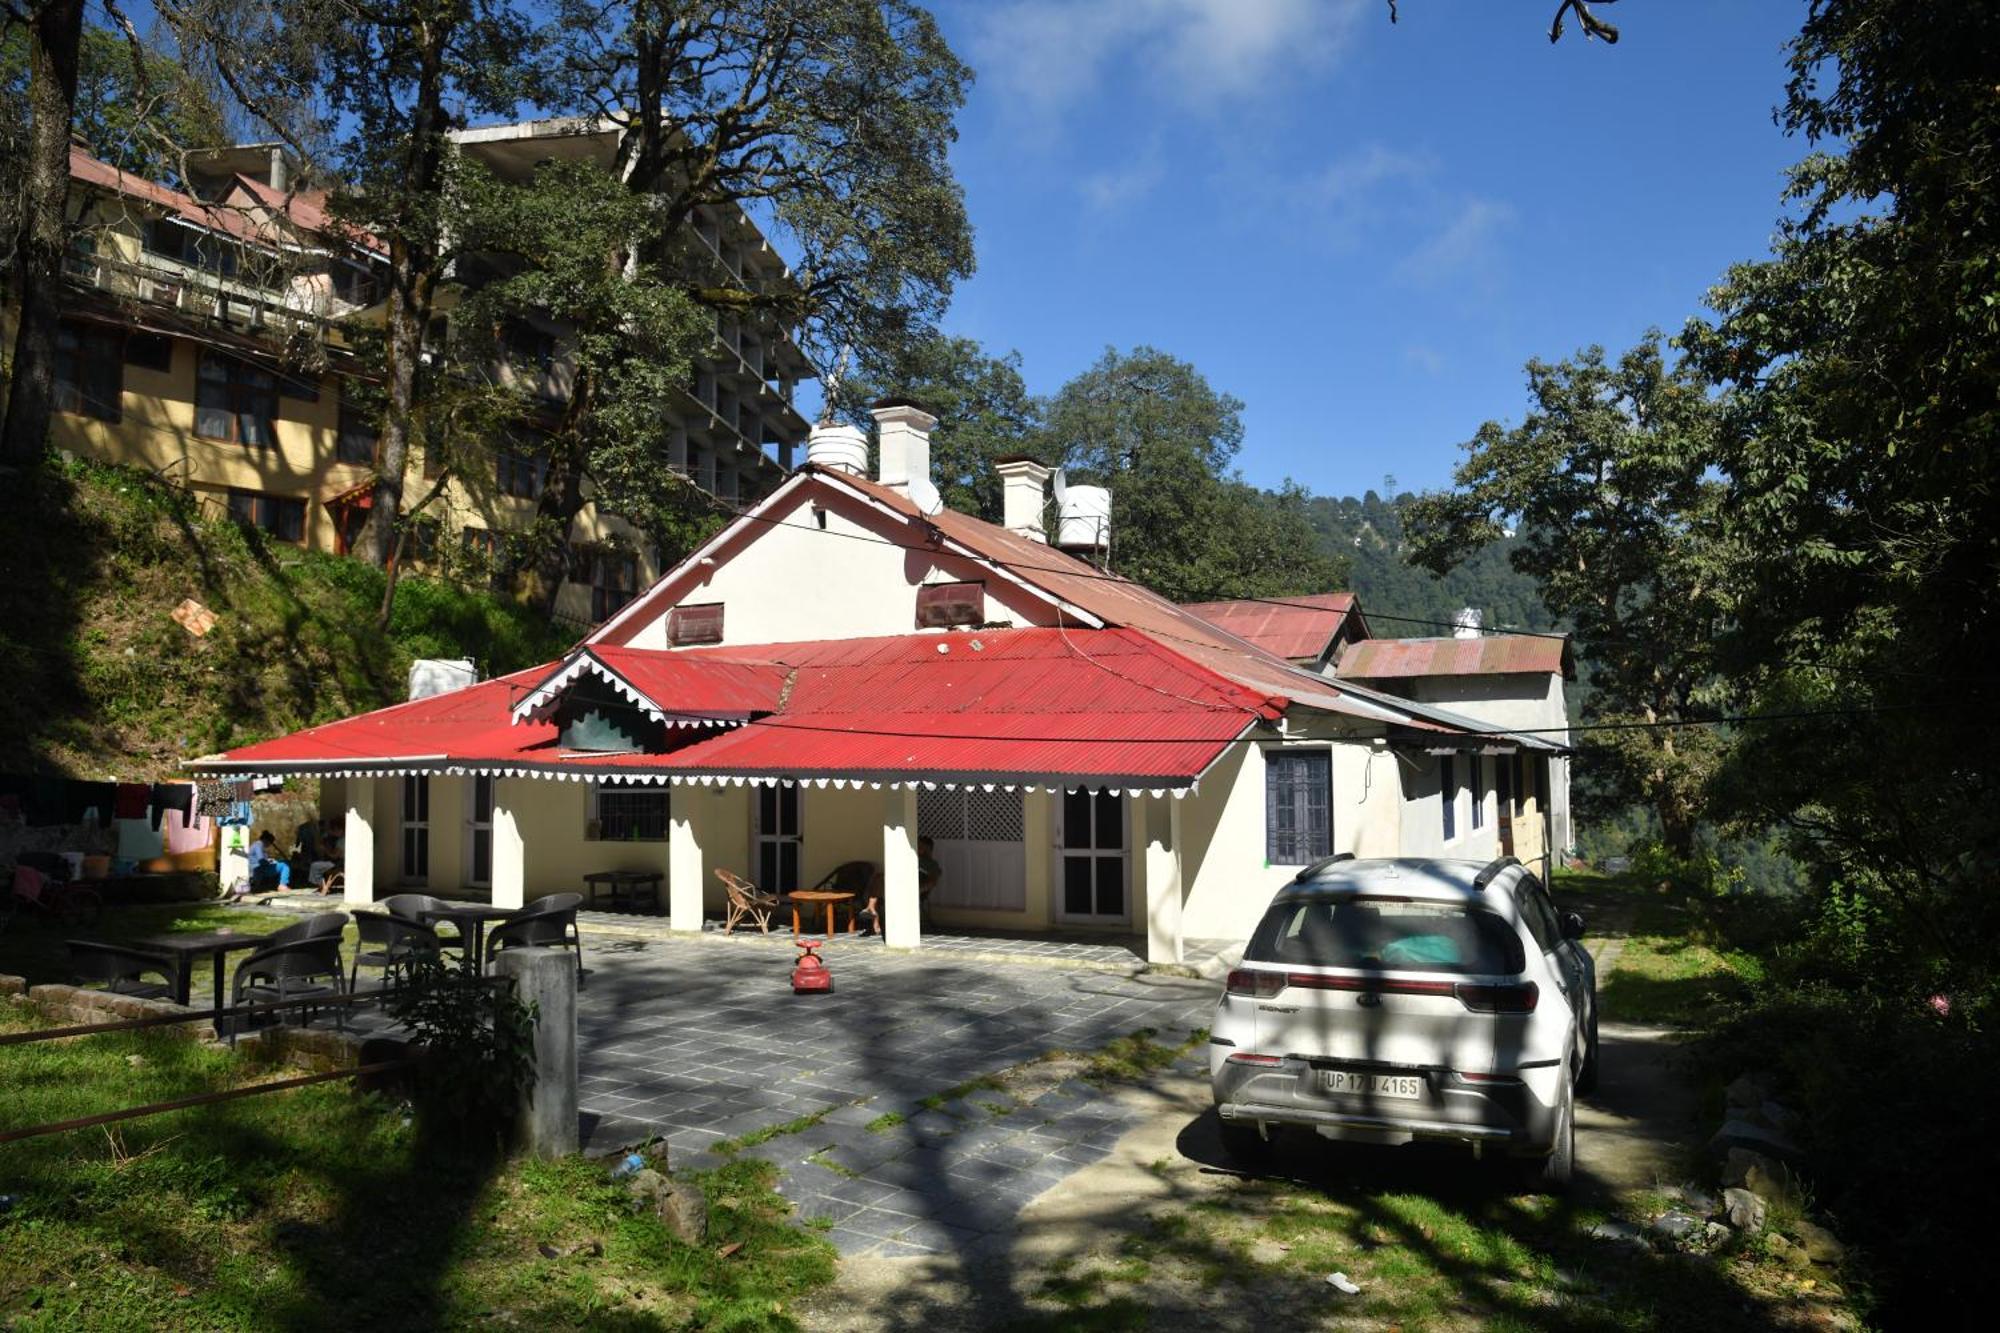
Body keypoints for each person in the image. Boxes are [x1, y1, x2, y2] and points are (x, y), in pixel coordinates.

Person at [855, 837, 943, 937]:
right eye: (918, 845)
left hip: (912, 890)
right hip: (900, 884)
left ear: (928, 848)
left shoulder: (932, 865)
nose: (918, 847)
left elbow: (932, 882)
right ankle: (871, 909)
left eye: (921, 846)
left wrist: (916, 891)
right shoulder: (912, 858)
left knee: (879, 887)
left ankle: (873, 915)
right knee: (879, 878)